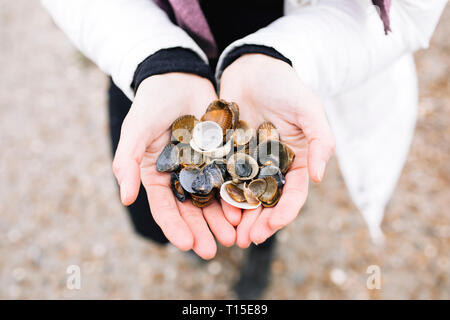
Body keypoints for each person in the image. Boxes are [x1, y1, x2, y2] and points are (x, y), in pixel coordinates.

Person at [42, 0, 447, 299]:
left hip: (284, 65)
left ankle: (259, 254)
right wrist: (154, 57)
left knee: (267, 211)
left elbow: (412, 11)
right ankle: (201, 247)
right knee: (154, 213)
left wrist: (283, 54)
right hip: (155, 71)